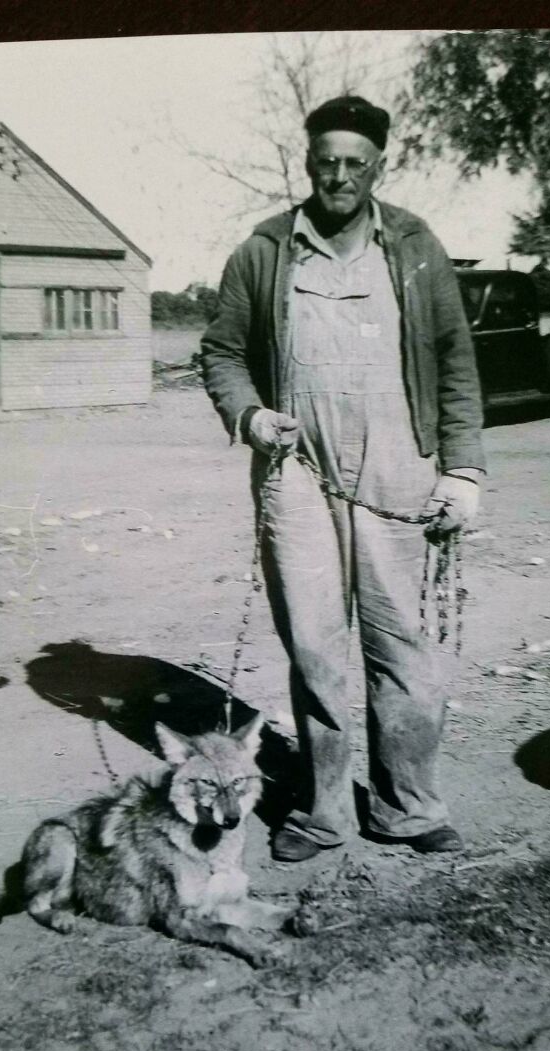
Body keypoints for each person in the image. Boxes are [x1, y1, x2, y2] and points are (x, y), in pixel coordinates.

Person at [201, 95, 485, 862]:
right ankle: (324, 810)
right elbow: (221, 352)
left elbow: (456, 360)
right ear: (308, 162)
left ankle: (408, 807)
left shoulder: (417, 247)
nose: (340, 176)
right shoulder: (264, 252)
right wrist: (253, 417)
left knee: (404, 648)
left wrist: (463, 469)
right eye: (327, 161)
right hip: (298, 477)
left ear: (379, 166)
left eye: (355, 163)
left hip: (401, 470)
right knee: (318, 647)